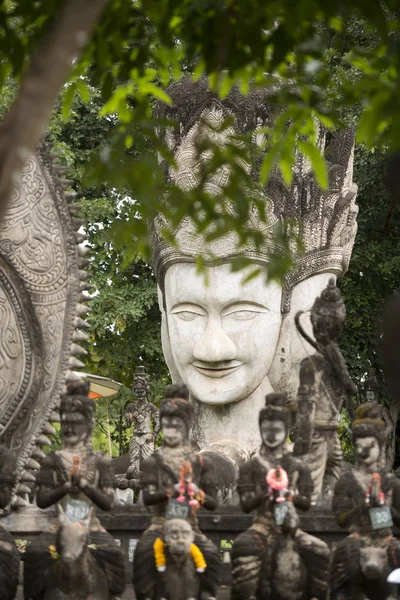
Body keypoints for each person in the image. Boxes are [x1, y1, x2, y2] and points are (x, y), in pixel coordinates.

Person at [24, 381, 125, 600]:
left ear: (88, 424)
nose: (69, 429)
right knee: (35, 553)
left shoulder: (100, 461)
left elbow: (108, 503)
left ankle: (114, 595)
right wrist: (66, 487)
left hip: (92, 527)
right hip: (58, 527)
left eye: (76, 423)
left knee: (114, 554)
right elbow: (41, 500)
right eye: (65, 422)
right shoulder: (52, 460)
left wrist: (86, 486)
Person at [231, 393, 329, 600]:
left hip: (292, 526)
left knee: (320, 551)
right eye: (267, 429)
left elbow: (307, 503)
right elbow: (246, 505)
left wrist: (291, 496)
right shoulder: (251, 467)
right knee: (243, 546)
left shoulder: (297, 466)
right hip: (262, 526)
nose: (271, 434)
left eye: (277, 429)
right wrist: (265, 495)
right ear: (260, 429)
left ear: (286, 429)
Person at [133, 384, 220, 600]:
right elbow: (147, 498)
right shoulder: (154, 460)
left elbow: (213, 502)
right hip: (161, 525)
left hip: (190, 526)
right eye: (167, 425)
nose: (171, 431)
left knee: (210, 552)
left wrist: (195, 493)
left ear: (187, 426)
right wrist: (170, 491)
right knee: (143, 551)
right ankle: (144, 595)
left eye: (177, 426)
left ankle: (208, 593)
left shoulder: (200, 461)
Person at [331, 402, 400, 599]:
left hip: (386, 540)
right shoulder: (346, 482)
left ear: (380, 446)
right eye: (360, 446)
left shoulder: (391, 482)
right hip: (357, 539)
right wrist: (364, 506)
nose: (364, 451)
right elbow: (341, 519)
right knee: (345, 555)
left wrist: (385, 508)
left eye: (370, 446)